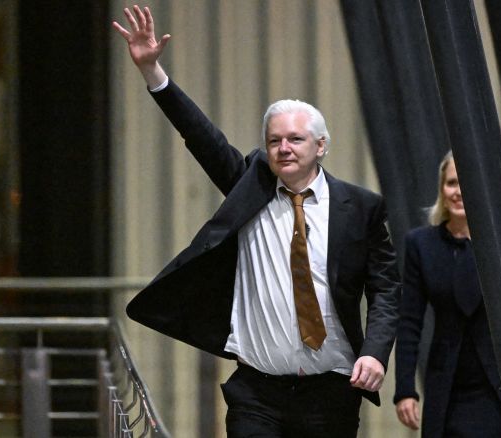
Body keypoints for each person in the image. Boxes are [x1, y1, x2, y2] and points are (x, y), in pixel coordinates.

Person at [113, 6, 401, 437]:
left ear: (321, 146)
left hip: (332, 391)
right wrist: (154, 73)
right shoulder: (251, 187)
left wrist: (376, 354)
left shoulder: (360, 207)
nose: (283, 149)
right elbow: (203, 137)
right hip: (256, 393)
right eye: (274, 141)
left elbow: (386, 291)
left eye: (295, 139)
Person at [393, 151, 501, 437]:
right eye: (452, 183)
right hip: (446, 385)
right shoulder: (421, 244)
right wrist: (404, 389)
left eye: (466, 183)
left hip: (495, 386)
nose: (458, 192)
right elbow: (409, 320)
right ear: (442, 189)